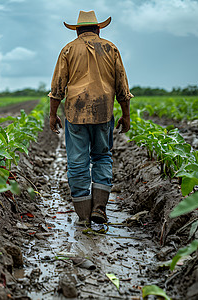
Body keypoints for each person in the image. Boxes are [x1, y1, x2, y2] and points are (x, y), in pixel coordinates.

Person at [48, 10, 133, 227]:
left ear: (77, 31)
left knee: (77, 162)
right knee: (102, 157)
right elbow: (122, 86)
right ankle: (99, 209)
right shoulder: (110, 48)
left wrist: (52, 114)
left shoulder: (67, 50)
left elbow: (57, 87)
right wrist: (126, 115)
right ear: (98, 29)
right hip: (104, 112)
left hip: (76, 113)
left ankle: (84, 216)